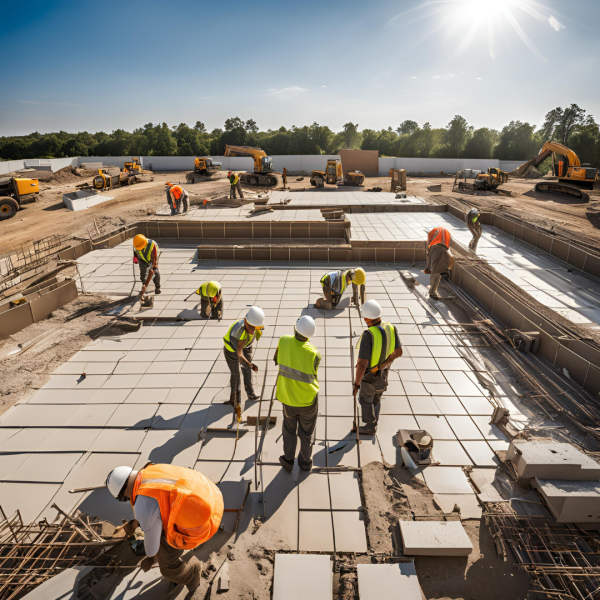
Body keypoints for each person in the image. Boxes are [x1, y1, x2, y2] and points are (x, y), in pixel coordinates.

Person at [106, 462, 223, 594]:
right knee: (157, 522)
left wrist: (150, 558)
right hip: (214, 497)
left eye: (123, 498)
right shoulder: (150, 470)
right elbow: (154, 505)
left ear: (122, 493)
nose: (126, 499)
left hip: (205, 524)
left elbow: (152, 546)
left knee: (167, 567)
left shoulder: (143, 505)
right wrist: (134, 525)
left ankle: (192, 573)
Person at [273, 316, 321, 472]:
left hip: (288, 400)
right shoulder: (314, 353)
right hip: (308, 401)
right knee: (306, 434)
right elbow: (313, 372)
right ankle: (305, 463)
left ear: (295, 328)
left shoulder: (283, 340)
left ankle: (288, 461)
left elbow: (276, 359)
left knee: (289, 431)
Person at [353, 300, 403, 435]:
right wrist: (387, 362)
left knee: (365, 400)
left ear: (366, 318)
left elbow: (362, 364)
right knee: (376, 399)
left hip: (370, 377)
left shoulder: (369, 335)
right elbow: (399, 352)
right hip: (384, 374)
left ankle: (370, 427)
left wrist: (357, 384)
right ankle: (374, 422)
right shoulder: (391, 327)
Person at [223, 306, 264, 413]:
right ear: (246, 320)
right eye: (251, 326)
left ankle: (250, 393)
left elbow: (253, 332)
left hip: (246, 346)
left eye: (254, 327)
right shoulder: (240, 332)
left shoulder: (254, 324)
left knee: (247, 370)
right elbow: (239, 354)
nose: (252, 330)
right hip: (232, 350)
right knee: (236, 375)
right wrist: (250, 364)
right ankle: (235, 400)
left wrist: (248, 365)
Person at [423, 226, 452, 300]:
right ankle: (432, 292)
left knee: (435, 275)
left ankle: (432, 292)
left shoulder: (434, 235)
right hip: (438, 254)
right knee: (436, 275)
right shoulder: (444, 234)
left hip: (436, 253)